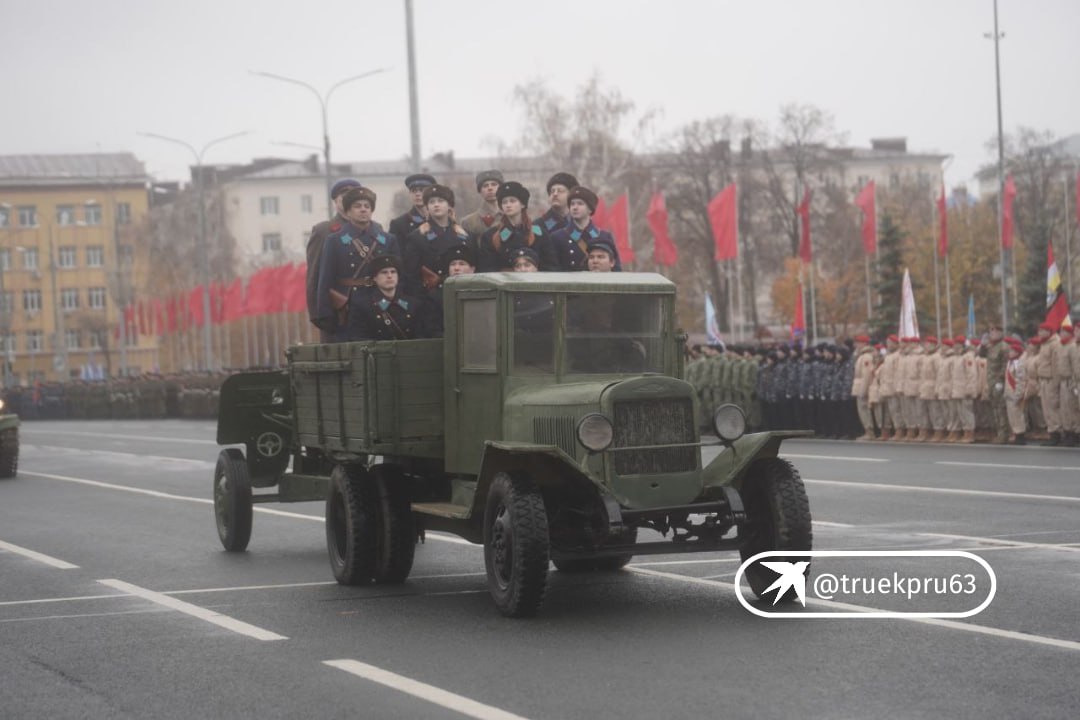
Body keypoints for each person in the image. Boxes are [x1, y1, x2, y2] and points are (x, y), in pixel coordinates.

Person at [313, 187, 400, 341]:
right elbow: (325, 279)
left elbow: (398, 276)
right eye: (357, 206)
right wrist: (324, 314)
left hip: (380, 302)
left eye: (367, 206)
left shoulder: (387, 240)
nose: (363, 210)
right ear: (348, 212)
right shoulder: (335, 240)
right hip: (348, 307)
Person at [306, 178, 362, 341]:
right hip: (338, 312)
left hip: (368, 309)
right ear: (335, 202)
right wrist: (320, 316)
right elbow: (314, 276)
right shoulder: (324, 231)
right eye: (343, 196)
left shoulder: (374, 229)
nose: (348, 199)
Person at [401, 184, 471, 295]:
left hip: (461, 294)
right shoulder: (417, 238)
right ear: (427, 207)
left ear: (449, 205)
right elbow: (411, 277)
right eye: (432, 202)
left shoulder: (465, 236)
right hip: (430, 300)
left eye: (441, 201)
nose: (436, 205)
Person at [349, 254, 434, 340]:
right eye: (384, 272)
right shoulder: (363, 307)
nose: (389, 276)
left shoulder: (413, 305)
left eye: (393, 272)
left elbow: (421, 337)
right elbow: (359, 338)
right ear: (374, 277)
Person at [478, 182, 556, 271]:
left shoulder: (540, 233)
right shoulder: (491, 236)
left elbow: (550, 267)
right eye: (504, 202)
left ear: (522, 204)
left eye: (512, 201)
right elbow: (488, 269)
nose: (508, 205)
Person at [550, 186, 620, 271]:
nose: (575, 207)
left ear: (590, 209)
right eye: (572, 204)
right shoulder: (557, 237)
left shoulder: (604, 236)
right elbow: (552, 269)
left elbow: (616, 268)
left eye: (580, 204)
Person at [388, 173, 437, 244]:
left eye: (422, 190)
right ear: (410, 194)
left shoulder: (440, 221)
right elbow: (395, 253)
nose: (417, 194)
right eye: (414, 191)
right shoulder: (399, 224)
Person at [1035, 322, 1063, 445]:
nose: (1039, 333)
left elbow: (1056, 365)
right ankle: (1052, 432)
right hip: (1043, 379)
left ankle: (1057, 434)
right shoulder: (1044, 344)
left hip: (1051, 380)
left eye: (1042, 330)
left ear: (1048, 331)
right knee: (1046, 409)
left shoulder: (1054, 344)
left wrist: (1055, 383)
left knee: (1053, 408)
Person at [459, 170, 503, 238]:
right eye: (485, 186)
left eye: (494, 184)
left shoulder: (510, 217)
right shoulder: (469, 222)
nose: (490, 188)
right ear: (480, 191)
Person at [984, 324, 1009, 444]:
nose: (992, 334)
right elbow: (981, 355)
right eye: (991, 332)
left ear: (1000, 333)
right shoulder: (991, 347)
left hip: (999, 382)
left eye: (994, 332)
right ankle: (999, 432)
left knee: (1001, 408)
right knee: (994, 408)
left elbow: (1005, 365)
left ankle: (1004, 434)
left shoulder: (1003, 347)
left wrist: (1000, 380)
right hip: (991, 381)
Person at [1057, 324, 1079, 446]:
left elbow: (1075, 366)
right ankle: (1068, 432)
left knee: (1072, 409)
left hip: (1070, 381)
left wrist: (1075, 384)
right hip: (1062, 381)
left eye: (1063, 331)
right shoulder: (1062, 346)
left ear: (1069, 333)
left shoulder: (1072, 346)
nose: (1061, 333)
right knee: (1065, 409)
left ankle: (1075, 433)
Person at [1003, 339, 1029, 444]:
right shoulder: (1010, 362)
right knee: (1012, 415)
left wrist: (1018, 394)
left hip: (1015, 393)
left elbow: (1021, 380)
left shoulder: (1019, 363)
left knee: (1017, 414)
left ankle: (1020, 435)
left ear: (1017, 353)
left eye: (1012, 351)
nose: (1010, 353)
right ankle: (1015, 432)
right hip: (1009, 393)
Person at [850, 335, 875, 440]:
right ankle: (867, 431)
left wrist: (863, 390)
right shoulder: (861, 355)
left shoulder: (866, 357)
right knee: (862, 410)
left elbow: (866, 375)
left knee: (864, 410)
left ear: (864, 344)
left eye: (858, 343)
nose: (856, 345)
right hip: (859, 386)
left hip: (863, 387)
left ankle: (870, 432)